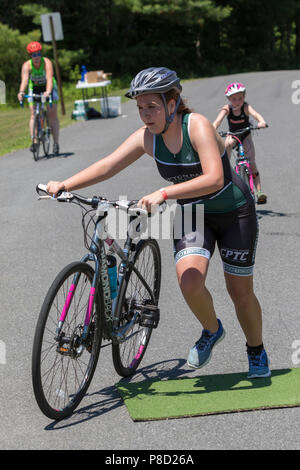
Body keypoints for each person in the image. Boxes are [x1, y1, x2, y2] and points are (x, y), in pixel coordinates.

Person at [46, 67, 271, 379]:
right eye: (140, 108)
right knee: (189, 282)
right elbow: (109, 164)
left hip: (235, 212)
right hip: (193, 213)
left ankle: (256, 350)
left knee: (240, 292)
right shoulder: (147, 138)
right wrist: (66, 184)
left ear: (172, 102)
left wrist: (164, 192)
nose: (145, 115)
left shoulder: (198, 126)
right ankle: (211, 330)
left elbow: (214, 178)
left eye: (151, 106)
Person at [213, 82, 267, 204]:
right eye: (234, 99)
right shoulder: (227, 108)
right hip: (233, 134)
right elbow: (217, 121)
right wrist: (212, 129)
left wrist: (261, 122)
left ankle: (259, 191)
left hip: (246, 134)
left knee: (252, 162)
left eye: (240, 98)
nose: (237, 101)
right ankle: (225, 169)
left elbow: (256, 114)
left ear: (244, 97)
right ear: (228, 99)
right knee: (226, 145)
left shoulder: (246, 107)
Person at [18, 41, 60, 155]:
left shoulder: (46, 62)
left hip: (48, 87)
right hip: (35, 88)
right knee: (33, 113)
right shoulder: (27, 66)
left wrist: (48, 92)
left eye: (38, 53)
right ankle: (34, 141)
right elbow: (25, 80)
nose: (36, 57)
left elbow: (49, 78)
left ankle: (55, 143)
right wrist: (21, 92)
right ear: (30, 56)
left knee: (52, 114)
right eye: (33, 54)